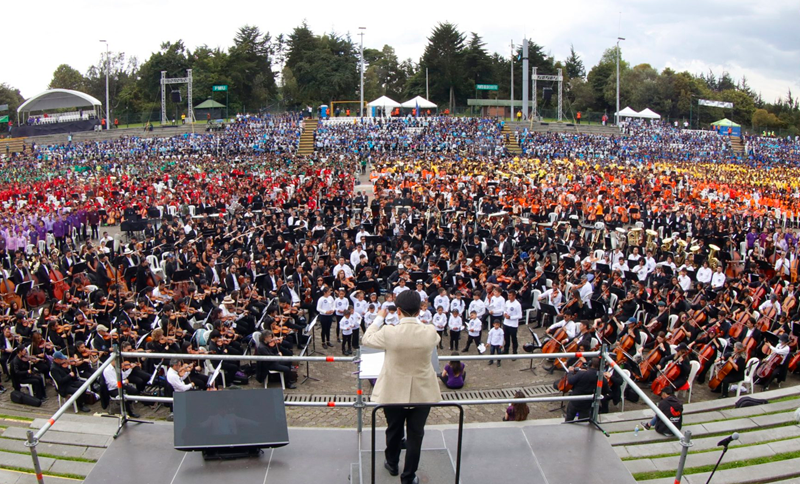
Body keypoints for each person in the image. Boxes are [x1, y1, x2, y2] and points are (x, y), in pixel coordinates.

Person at [362, 290, 441, 484]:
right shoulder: (430, 332)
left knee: (394, 429)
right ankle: (408, 477)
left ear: (398, 310)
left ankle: (392, 463)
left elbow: (366, 339)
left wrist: (379, 318)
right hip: (422, 392)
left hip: (393, 390)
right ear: (419, 310)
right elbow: (431, 337)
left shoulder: (389, 332)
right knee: (416, 435)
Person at [564, 357, 603, 422]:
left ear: (590, 364)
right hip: (588, 402)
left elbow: (571, 381)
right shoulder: (600, 377)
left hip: (576, 400)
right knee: (582, 421)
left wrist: (570, 372)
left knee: (569, 419)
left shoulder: (581, 373)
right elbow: (605, 389)